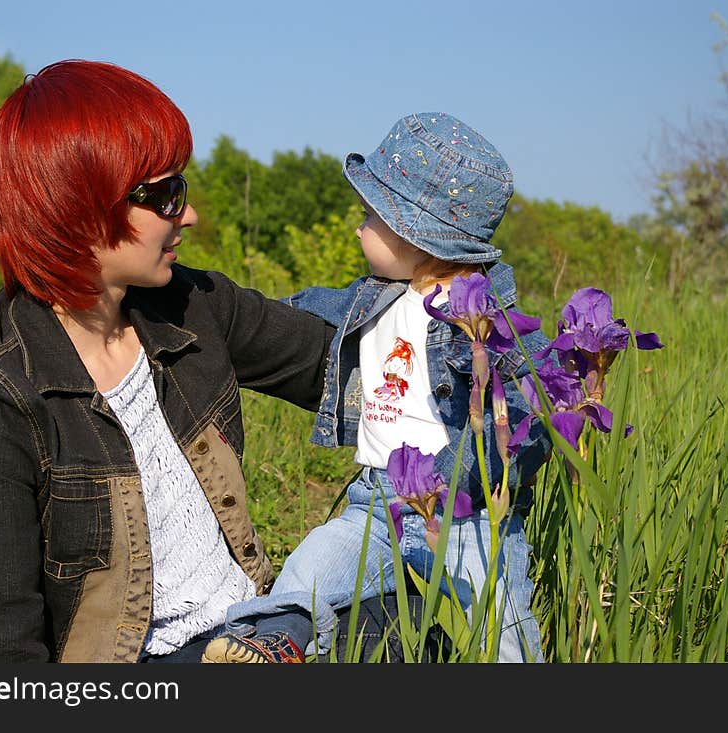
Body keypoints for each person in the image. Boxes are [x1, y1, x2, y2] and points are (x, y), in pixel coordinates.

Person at [0, 59, 342, 663]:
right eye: (167, 193)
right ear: (79, 206)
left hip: (255, 626)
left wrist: (474, 349)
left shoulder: (191, 305)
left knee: (417, 593)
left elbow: (338, 364)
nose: (190, 214)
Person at [202, 112, 554, 664]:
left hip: (468, 516)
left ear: (413, 230)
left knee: (502, 634)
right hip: (376, 505)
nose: (357, 226)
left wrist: (510, 461)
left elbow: (537, 409)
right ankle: (270, 644)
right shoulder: (372, 298)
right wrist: (219, 319)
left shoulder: (488, 319)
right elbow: (291, 312)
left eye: (369, 215)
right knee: (310, 569)